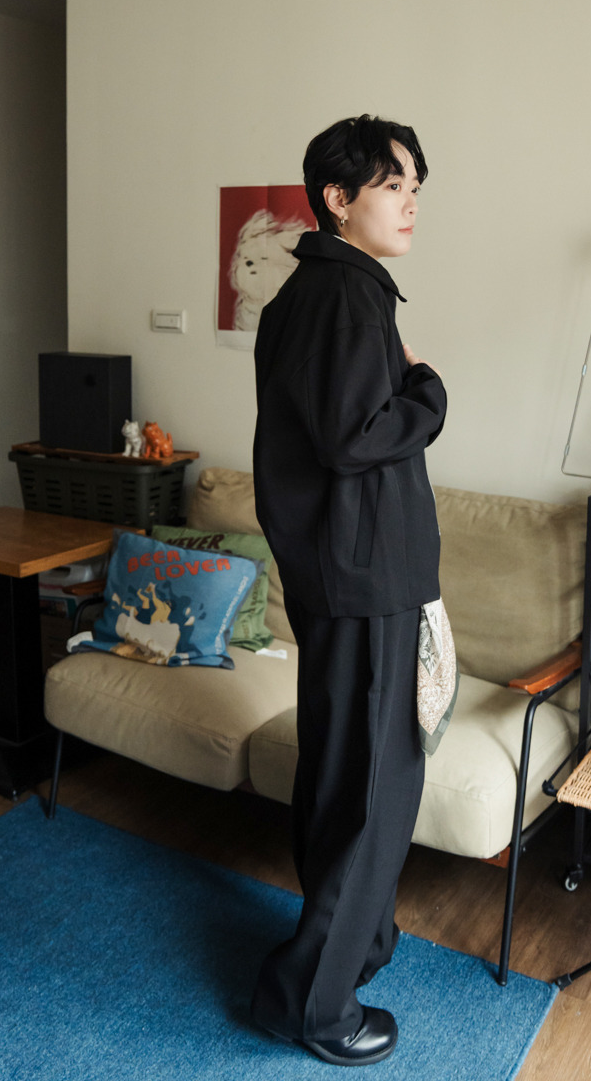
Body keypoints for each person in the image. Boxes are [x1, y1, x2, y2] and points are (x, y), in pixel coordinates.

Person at [250, 114, 447, 1067]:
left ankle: (354, 946)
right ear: (338, 198)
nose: (410, 203)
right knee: (373, 792)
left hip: (348, 575)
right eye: (392, 185)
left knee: (343, 780)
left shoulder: (317, 292)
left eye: (414, 188)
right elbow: (354, 437)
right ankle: (313, 1005)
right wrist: (431, 394)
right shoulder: (345, 296)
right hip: (365, 581)